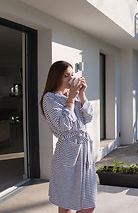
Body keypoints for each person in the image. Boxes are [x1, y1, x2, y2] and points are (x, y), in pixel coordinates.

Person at [40, 61, 96, 213]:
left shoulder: (75, 96)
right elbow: (63, 125)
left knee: (88, 203)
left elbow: (89, 117)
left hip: (84, 152)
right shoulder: (50, 98)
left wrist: (82, 94)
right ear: (56, 77)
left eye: (72, 75)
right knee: (66, 202)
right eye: (66, 76)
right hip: (67, 153)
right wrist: (71, 99)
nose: (71, 79)